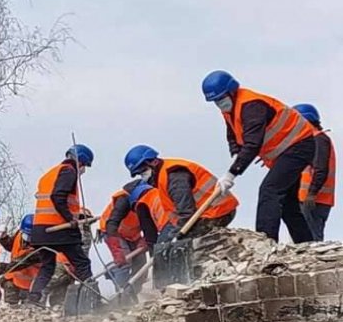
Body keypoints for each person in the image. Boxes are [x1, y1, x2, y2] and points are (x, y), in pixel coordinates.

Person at [202, 70, 315, 243]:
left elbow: (253, 144)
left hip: (298, 146)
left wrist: (232, 173)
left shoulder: (251, 105)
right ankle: (307, 244)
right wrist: (236, 153)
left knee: (269, 190)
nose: (219, 104)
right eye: (216, 101)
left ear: (232, 91)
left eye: (221, 98)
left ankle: (265, 242)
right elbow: (232, 134)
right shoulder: (230, 109)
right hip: (285, 152)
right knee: (288, 204)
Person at [28, 144, 95, 305]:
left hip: (40, 231)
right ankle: (94, 299)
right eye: (84, 165)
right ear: (81, 161)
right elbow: (57, 196)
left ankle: (33, 299)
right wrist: (70, 218)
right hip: (59, 229)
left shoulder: (49, 174)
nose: (83, 169)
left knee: (47, 266)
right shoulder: (68, 171)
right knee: (81, 263)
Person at [124, 145, 238, 237]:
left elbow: (186, 212)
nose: (143, 177)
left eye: (143, 171)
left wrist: (177, 235)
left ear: (152, 162)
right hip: (203, 214)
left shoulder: (173, 176)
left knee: (184, 243)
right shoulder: (163, 176)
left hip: (217, 212)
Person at [294, 104, 336, 241]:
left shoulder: (318, 139)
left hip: (313, 200)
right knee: (304, 240)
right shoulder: (312, 139)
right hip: (311, 199)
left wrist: (312, 193)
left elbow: (320, 169)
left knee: (311, 241)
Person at [98, 181, 148, 290]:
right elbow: (111, 225)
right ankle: (122, 295)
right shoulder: (124, 199)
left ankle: (133, 293)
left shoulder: (152, 198)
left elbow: (152, 222)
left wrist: (146, 239)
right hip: (113, 232)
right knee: (124, 263)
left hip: (132, 234)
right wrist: (117, 251)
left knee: (142, 265)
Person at [1, 214, 41, 304]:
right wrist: (3, 238)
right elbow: (11, 246)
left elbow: (21, 262)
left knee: (30, 310)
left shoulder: (41, 247)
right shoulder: (19, 235)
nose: (29, 239)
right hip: (13, 280)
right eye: (27, 235)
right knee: (10, 308)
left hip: (31, 286)